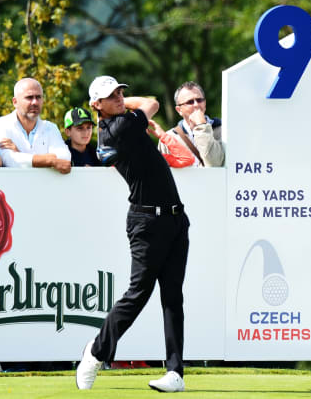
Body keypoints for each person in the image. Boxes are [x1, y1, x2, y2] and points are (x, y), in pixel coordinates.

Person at [76, 75, 189, 393]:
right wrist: (126, 104)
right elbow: (152, 101)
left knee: (172, 297)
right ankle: (96, 352)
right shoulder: (119, 128)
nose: (120, 99)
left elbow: (145, 104)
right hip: (146, 223)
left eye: (121, 93)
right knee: (138, 294)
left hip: (175, 219)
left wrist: (120, 101)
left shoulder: (120, 120)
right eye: (110, 96)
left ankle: (175, 372)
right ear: (96, 105)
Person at [0, 78, 71, 173]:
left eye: (38, 97)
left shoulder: (50, 127)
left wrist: (19, 154)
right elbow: (7, 160)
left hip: (45, 187)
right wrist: (50, 160)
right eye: (29, 97)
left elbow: (64, 158)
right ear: (15, 102)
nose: (35, 102)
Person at [157, 81, 224, 167]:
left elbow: (214, 164)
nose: (196, 105)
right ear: (179, 110)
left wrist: (201, 126)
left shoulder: (222, 130)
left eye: (199, 100)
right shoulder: (168, 138)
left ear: (205, 103)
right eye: (190, 102)